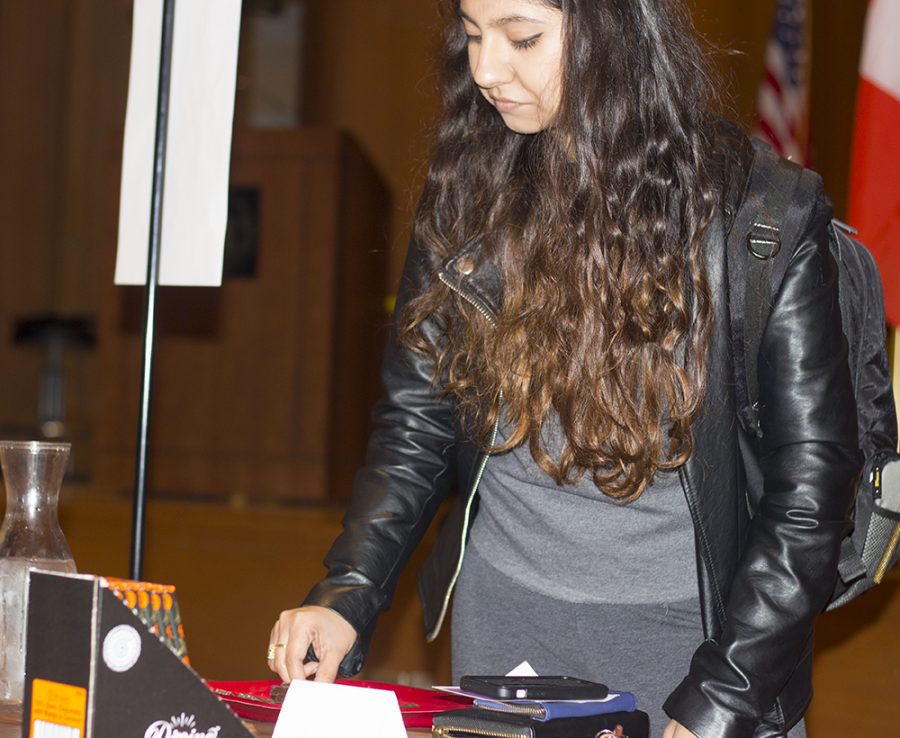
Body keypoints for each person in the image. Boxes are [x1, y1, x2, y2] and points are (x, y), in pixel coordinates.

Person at [267, 1, 861, 736]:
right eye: (474, 33)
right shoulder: (467, 188)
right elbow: (417, 424)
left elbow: (810, 492)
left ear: (615, 32)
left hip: (708, 650)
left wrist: (725, 699)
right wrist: (348, 589)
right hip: (506, 632)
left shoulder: (760, 218)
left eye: (522, 37)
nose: (486, 69)